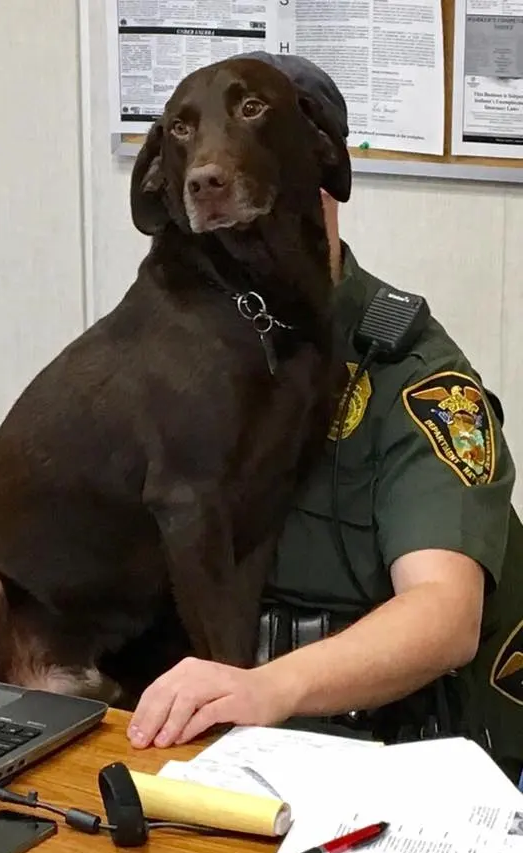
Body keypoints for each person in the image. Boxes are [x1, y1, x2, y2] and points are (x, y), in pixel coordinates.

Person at [110, 52, 523, 786]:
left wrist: (269, 689)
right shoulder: (179, 362)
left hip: (380, 760)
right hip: (199, 744)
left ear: (319, 173)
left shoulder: (413, 373)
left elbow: (444, 612)